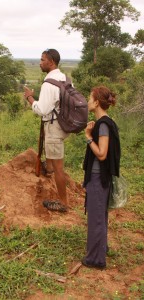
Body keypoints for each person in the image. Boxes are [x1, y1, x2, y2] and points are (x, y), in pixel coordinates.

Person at [24, 49, 69, 213]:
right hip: (63, 124)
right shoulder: (64, 78)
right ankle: (48, 169)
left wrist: (30, 98)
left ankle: (63, 203)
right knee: (52, 160)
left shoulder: (49, 83)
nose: (40, 63)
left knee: (59, 168)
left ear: (51, 62)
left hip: (54, 127)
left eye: (42, 60)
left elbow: (42, 110)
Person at [82, 86, 121, 269]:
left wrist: (89, 137)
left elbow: (102, 154)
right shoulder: (105, 122)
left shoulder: (103, 124)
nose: (88, 101)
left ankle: (95, 259)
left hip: (98, 177)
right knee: (100, 216)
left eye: (90, 98)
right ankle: (101, 248)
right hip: (101, 177)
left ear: (97, 102)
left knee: (96, 218)